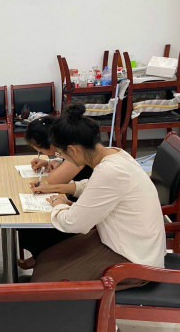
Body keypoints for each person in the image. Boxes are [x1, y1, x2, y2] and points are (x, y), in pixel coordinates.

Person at [29, 104, 166, 286]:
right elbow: (96, 187)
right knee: (48, 256)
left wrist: (58, 204)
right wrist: (61, 189)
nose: (62, 159)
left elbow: (74, 223)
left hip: (133, 258)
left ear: (73, 150)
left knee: (46, 282)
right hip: (127, 242)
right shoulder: (116, 154)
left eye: (61, 154)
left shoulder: (109, 170)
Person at [17, 116, 95, 269]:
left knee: (34, 223)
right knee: (28, 220)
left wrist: (53, 186)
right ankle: (41, 257)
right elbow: (76, 183)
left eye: (40, 150)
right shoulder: (76, 148)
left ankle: (45, 260)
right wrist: (51, 163)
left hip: (83, 212)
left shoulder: (78, 151)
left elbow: (54, 180)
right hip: (79, 198)